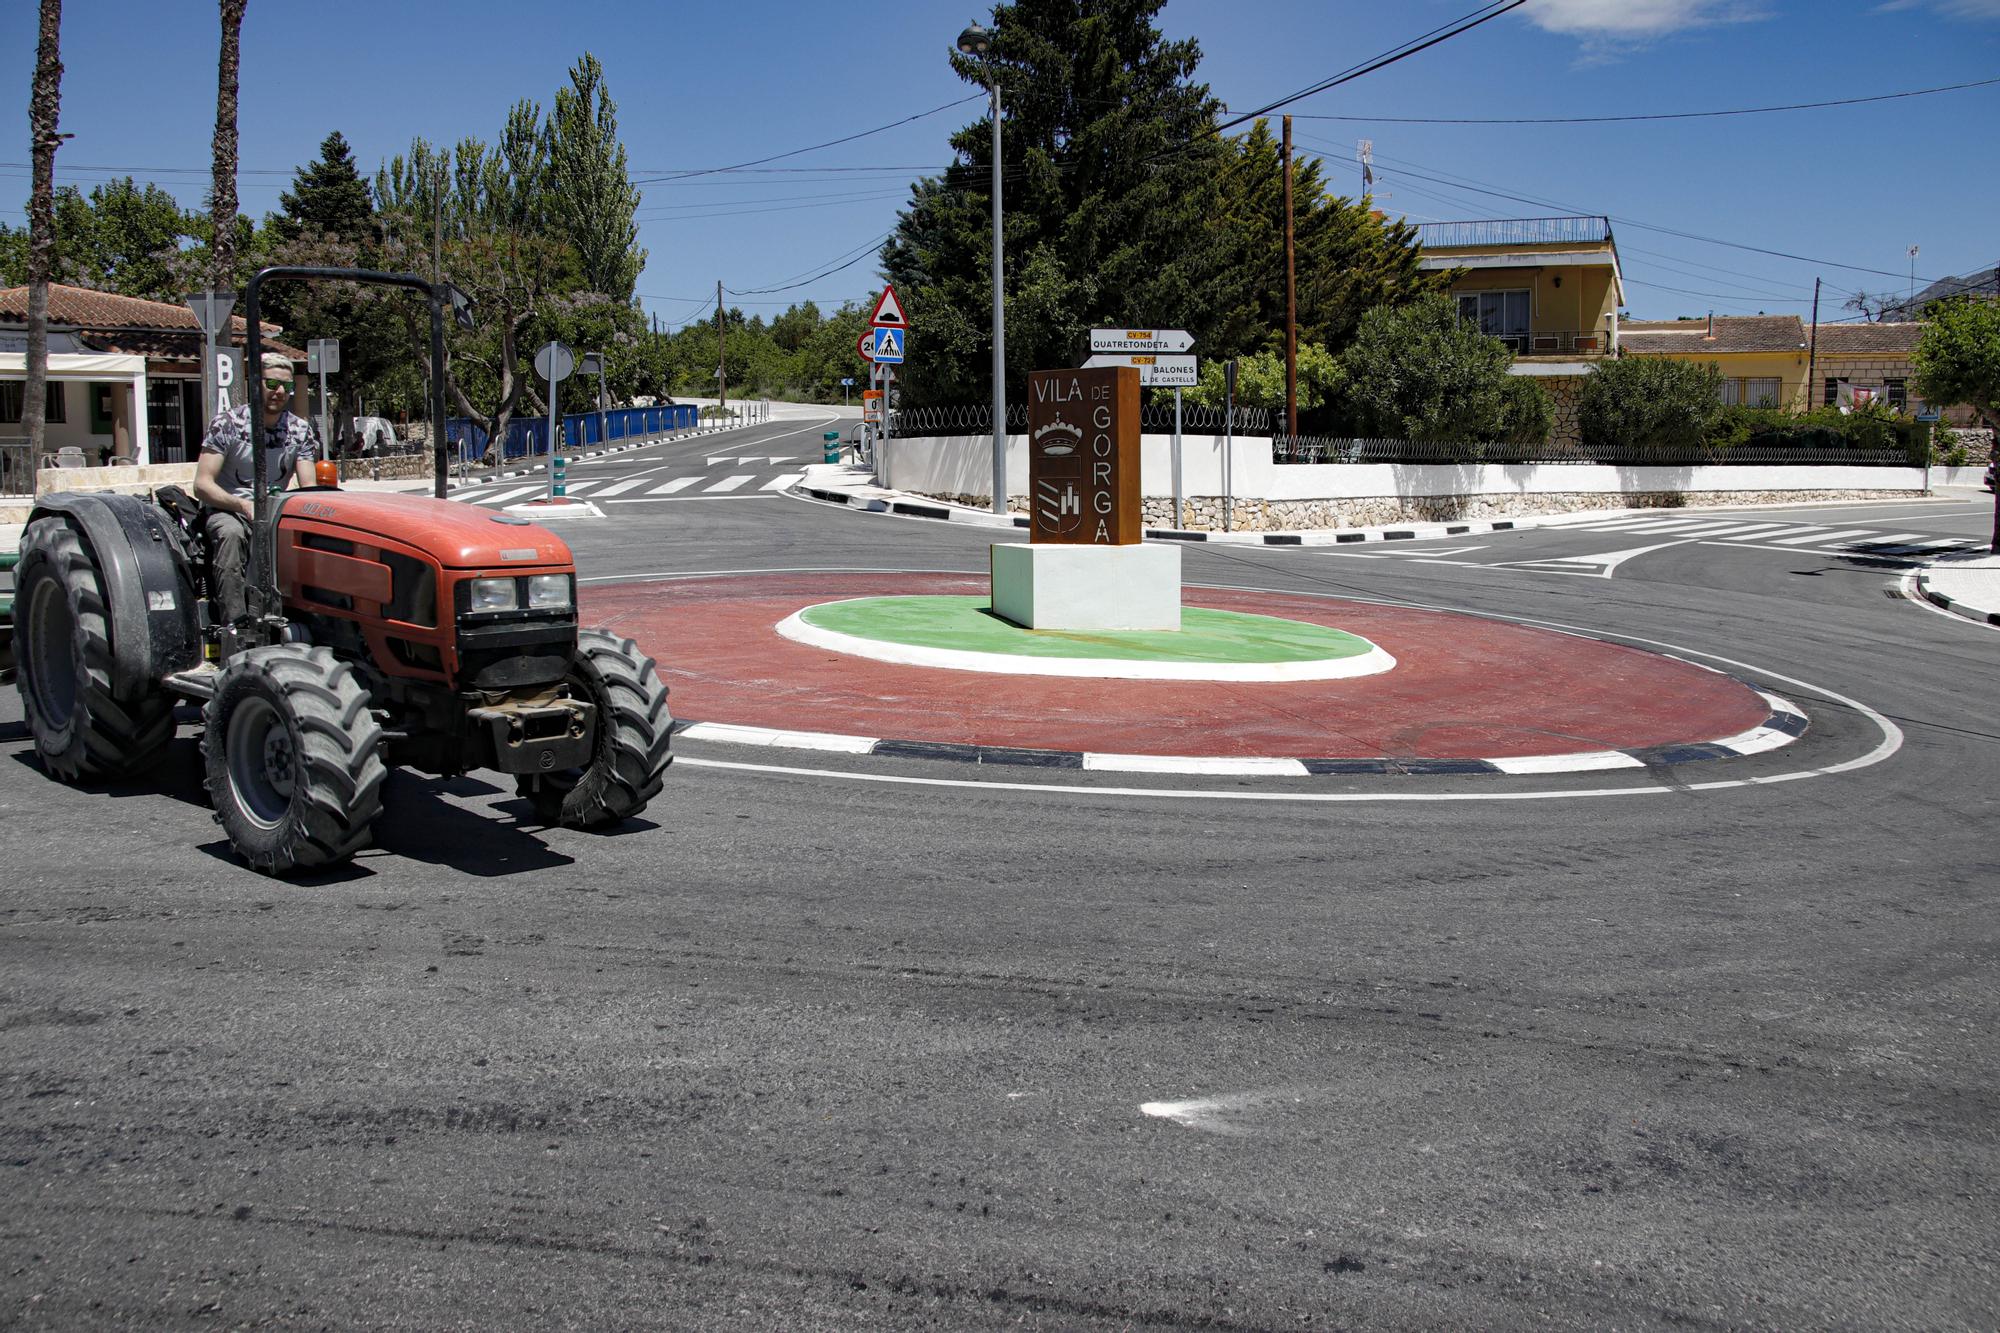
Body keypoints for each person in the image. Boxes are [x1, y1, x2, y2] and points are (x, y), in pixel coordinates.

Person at [192, 352, 320, 630]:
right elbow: (202, 485)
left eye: (287, 386)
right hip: (230, 511)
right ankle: (235, 626)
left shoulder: (300, 430)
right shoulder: (227, 425)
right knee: (231, 534)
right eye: (272, 383)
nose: (279, 392)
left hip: (275, 511)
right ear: (255, 384)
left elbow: (309, 487)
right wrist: (243, 506)